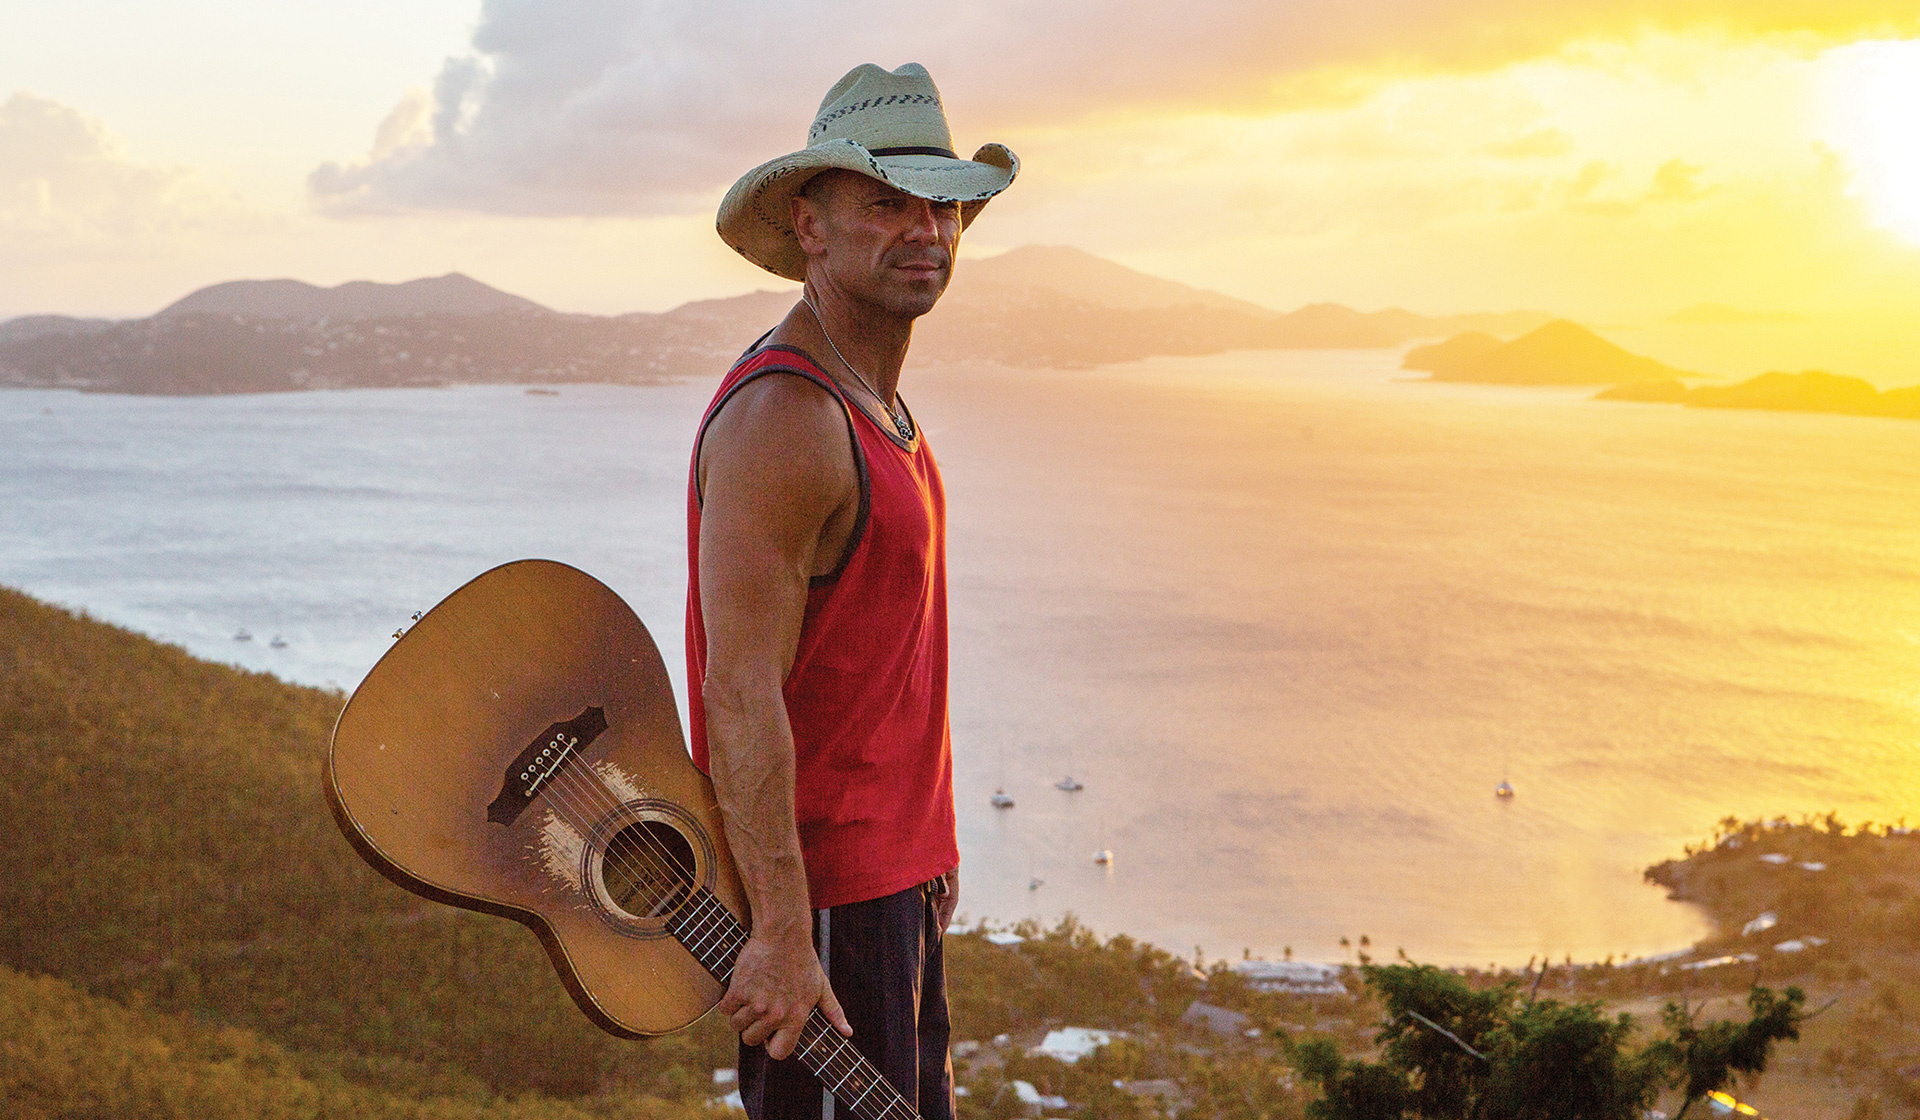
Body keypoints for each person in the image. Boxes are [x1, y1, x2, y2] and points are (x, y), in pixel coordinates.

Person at [684, 62, 1017, 1120]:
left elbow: (886, 655)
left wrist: (932, 843)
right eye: (887, 201)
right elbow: (740, 690)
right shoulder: (789, 417)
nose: (926, 228)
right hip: (824, 905)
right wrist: (781, 933)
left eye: (943, 203)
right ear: (811, 224)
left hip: (889, 887)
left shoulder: (875, 396)